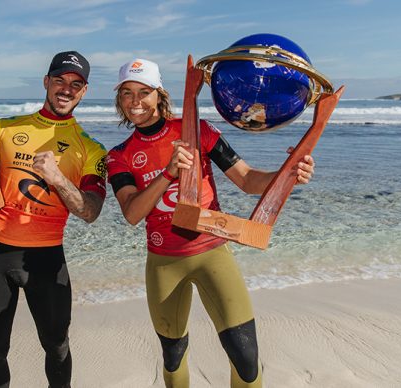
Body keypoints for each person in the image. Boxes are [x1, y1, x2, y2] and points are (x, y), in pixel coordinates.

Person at [106, 59, 316, 388]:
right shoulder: (119, 155)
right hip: (164, 263)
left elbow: (246, 180)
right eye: (127, 94)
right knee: (174, 356)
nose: (135, 101)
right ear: (119, 100)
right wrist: (169, 172)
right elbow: (132, 213)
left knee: (246, 358)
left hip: (213, 254)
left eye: (144, 92)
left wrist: (288, 175)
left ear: (159, 95)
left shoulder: (197, 131)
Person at [0, 51, 107, 388]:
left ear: (84, 92)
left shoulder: (91, 149)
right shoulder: (6, 128)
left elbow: (91, 211)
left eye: (75, 84)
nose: (66, 89)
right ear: (46, 82)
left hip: (46, 257)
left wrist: (58, 179)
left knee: (56, 346)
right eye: (60, 81)